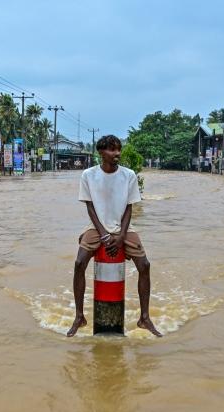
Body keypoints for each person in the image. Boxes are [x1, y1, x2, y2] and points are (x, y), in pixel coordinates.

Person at [67, 135, 162, 338]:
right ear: (101, 153)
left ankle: (144, 318)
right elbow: (90, 207)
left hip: (124, 226)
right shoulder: (88, 175)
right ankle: (79, 316)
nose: (117, 153)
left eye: (118, 149)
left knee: (145, 265)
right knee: (79, 263)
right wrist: (103, 234)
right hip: (96, 226)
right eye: (112, 150)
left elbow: (129, 208)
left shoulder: (129, 175)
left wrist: (121, 237)